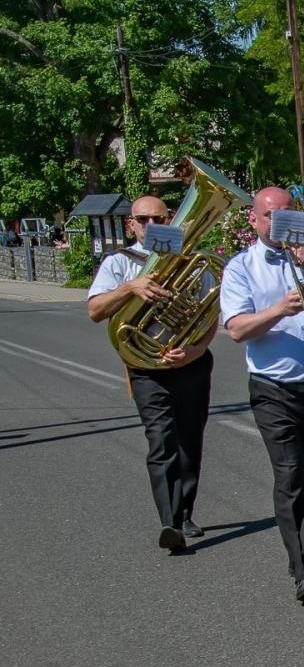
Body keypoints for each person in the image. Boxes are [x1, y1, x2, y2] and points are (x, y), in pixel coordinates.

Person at [220, 187, 304, 603]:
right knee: (291, 473)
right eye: (270, 216)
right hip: (271, 386)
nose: (278, 223)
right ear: (255, 221)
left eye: (286, 215)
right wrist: (278, 310)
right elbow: (237, 329)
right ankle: (303, 568)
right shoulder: (241, 268)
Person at [85, 194, 215, 553]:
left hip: (188, 362)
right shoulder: (119, 263)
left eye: (159, 219)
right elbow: (95, 310)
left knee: (190, 440)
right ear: (132, 224)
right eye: (144, 220)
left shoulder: (189, 259)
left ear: (170, 219)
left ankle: (184, 511)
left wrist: (196, 349)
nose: (152, 226)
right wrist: (130, 288)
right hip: (145, 366)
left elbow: (210, 310)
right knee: (161, 439)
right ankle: (169, 522)